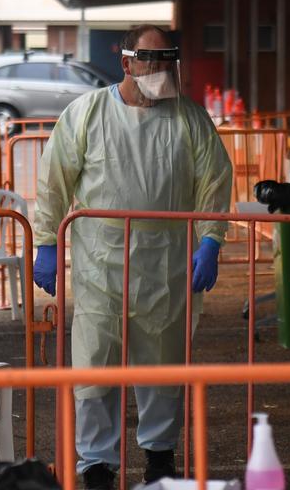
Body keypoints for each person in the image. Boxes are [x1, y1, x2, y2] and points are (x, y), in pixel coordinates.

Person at [31, 25, 233, 490]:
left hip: (166, 261)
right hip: (101, 260)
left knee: (162, 363)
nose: (161, 71)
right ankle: (96, 463)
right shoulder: (87, 113)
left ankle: (160, 456)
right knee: (94, 362)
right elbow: (54, 181)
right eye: (151, 60)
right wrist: (47, 241)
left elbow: (213, 182)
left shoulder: (189, 118)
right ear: (127, 63)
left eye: (168, 61)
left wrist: (211, 238)